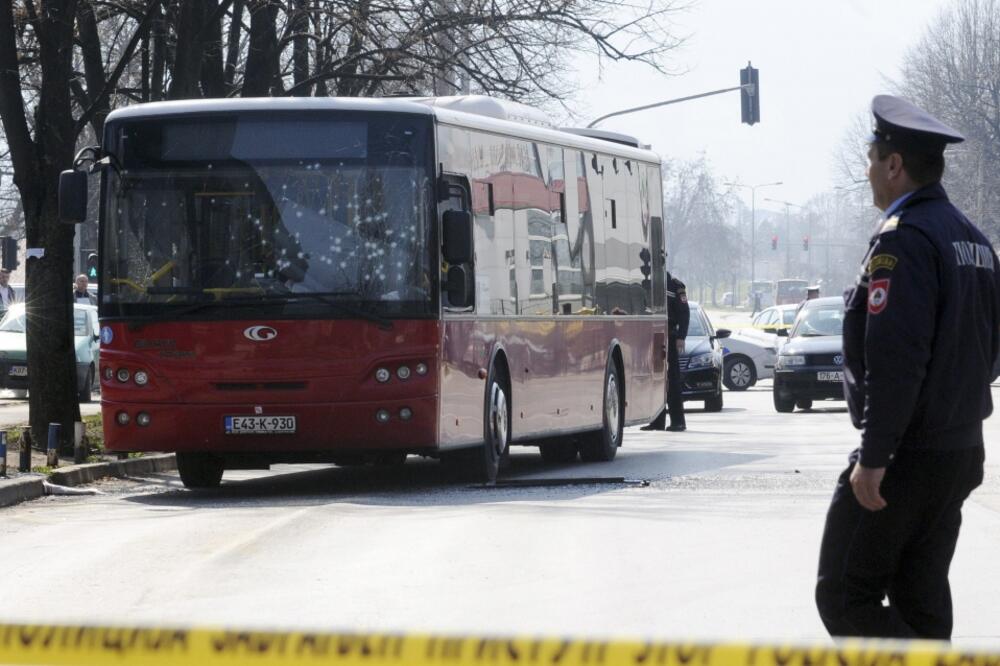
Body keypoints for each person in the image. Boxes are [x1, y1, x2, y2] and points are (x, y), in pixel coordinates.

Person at [815, 95, 1000, 639]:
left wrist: (875, 457)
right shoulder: (973, 239)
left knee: (846, 595)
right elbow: (990, 348)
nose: (868, 171)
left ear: (894, 165)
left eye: (872, 159)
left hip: (905, 456)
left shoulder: (906, 240)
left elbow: (895, 360)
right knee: (921, 595)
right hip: (958, 450)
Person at [642, 267, 690, 431]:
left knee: (672, 379)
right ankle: (657, 421)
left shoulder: (675, 285)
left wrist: (681, 337)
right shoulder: (646, 283)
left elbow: (684, 314)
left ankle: (678, 421)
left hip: (669, 335)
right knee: (655, 380)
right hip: (651, 337)